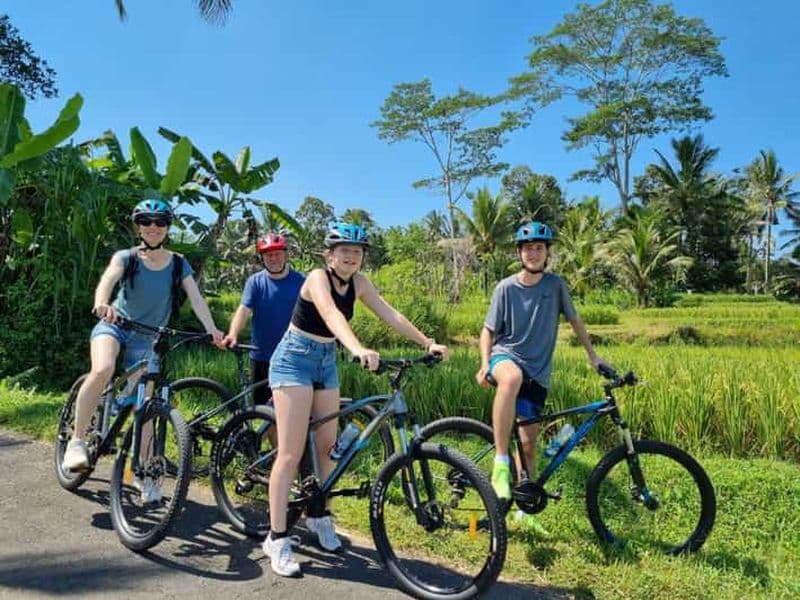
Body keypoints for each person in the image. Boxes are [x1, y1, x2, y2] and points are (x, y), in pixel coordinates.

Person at [263, 222, 449, 577]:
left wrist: (427, 342)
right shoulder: (317, 278)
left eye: (357, 251)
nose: (351, 256)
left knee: (328, 448)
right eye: (344, 250)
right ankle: (277, 538)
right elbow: (331, 314)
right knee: (289, 453)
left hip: (325, 361)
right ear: (329, 255)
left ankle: (319, 516)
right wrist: (357, 347)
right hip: (293, 359)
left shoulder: (360, 283)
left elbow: (390, 314)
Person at [61, 199, 225, 501]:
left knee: (146, 408)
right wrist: (102, 304)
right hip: (115, 325)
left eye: (160, 222)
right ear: (138, 227)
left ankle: (141, 472)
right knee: (103, 369)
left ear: (167, 228)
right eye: (146, 222)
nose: (153, 227)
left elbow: (196, 298)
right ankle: (77, 441)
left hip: (148, 338)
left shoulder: (178, 263)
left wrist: (212, 329)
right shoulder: (127, 257)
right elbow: (108, 280)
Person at [475, 221, 609, 533]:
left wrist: (593, 356)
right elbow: (488, 331)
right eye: (527, 248)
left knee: (529, 445)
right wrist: (484, 364)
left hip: (537, 373)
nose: (533, 253)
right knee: (511, 379)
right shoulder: (505, 288)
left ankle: (524, 511)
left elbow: (575, 320)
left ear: (547, 253)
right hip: (505, 357)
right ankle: (500, 462)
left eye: (539, 248)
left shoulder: (555, 286)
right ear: (519, 253)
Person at [222, 232, 305, 404]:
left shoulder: (301, 281)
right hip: (261, 356)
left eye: (277, 254)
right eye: (268, 255)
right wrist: (233, 334)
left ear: (285, 254)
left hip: (293, 356)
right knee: (262, 410)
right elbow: (244, 309)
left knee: (291, 407)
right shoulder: (255, 282)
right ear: (262, 258)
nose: (273, 259)